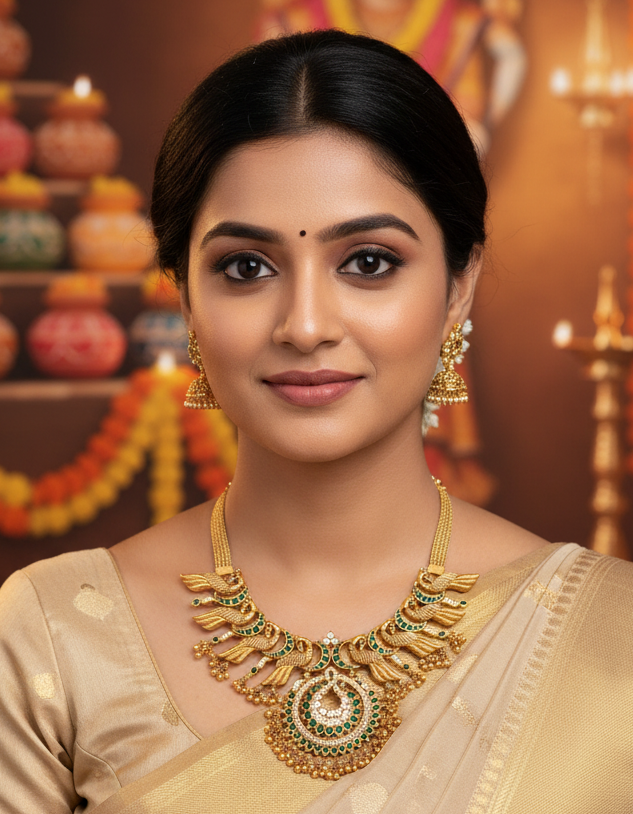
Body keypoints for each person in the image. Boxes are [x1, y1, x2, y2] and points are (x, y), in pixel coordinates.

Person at [0, 30, 631, 814]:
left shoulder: (611, 639)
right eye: (246, 267)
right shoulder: (56, 638)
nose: (303, 324)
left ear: (458, 284)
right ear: (183, 294)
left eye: (367, 262)